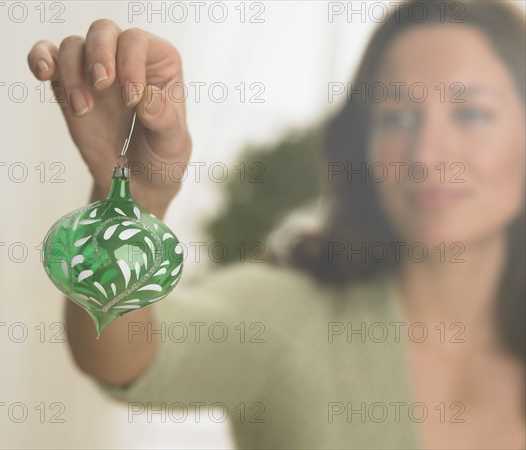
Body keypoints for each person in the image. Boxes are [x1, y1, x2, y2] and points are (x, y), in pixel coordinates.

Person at [27, 1, 525, 448]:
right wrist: (131, 200)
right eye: (395, 117)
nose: (427, 155)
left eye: (471, 113)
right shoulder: (291, 320)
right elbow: (121, 355)